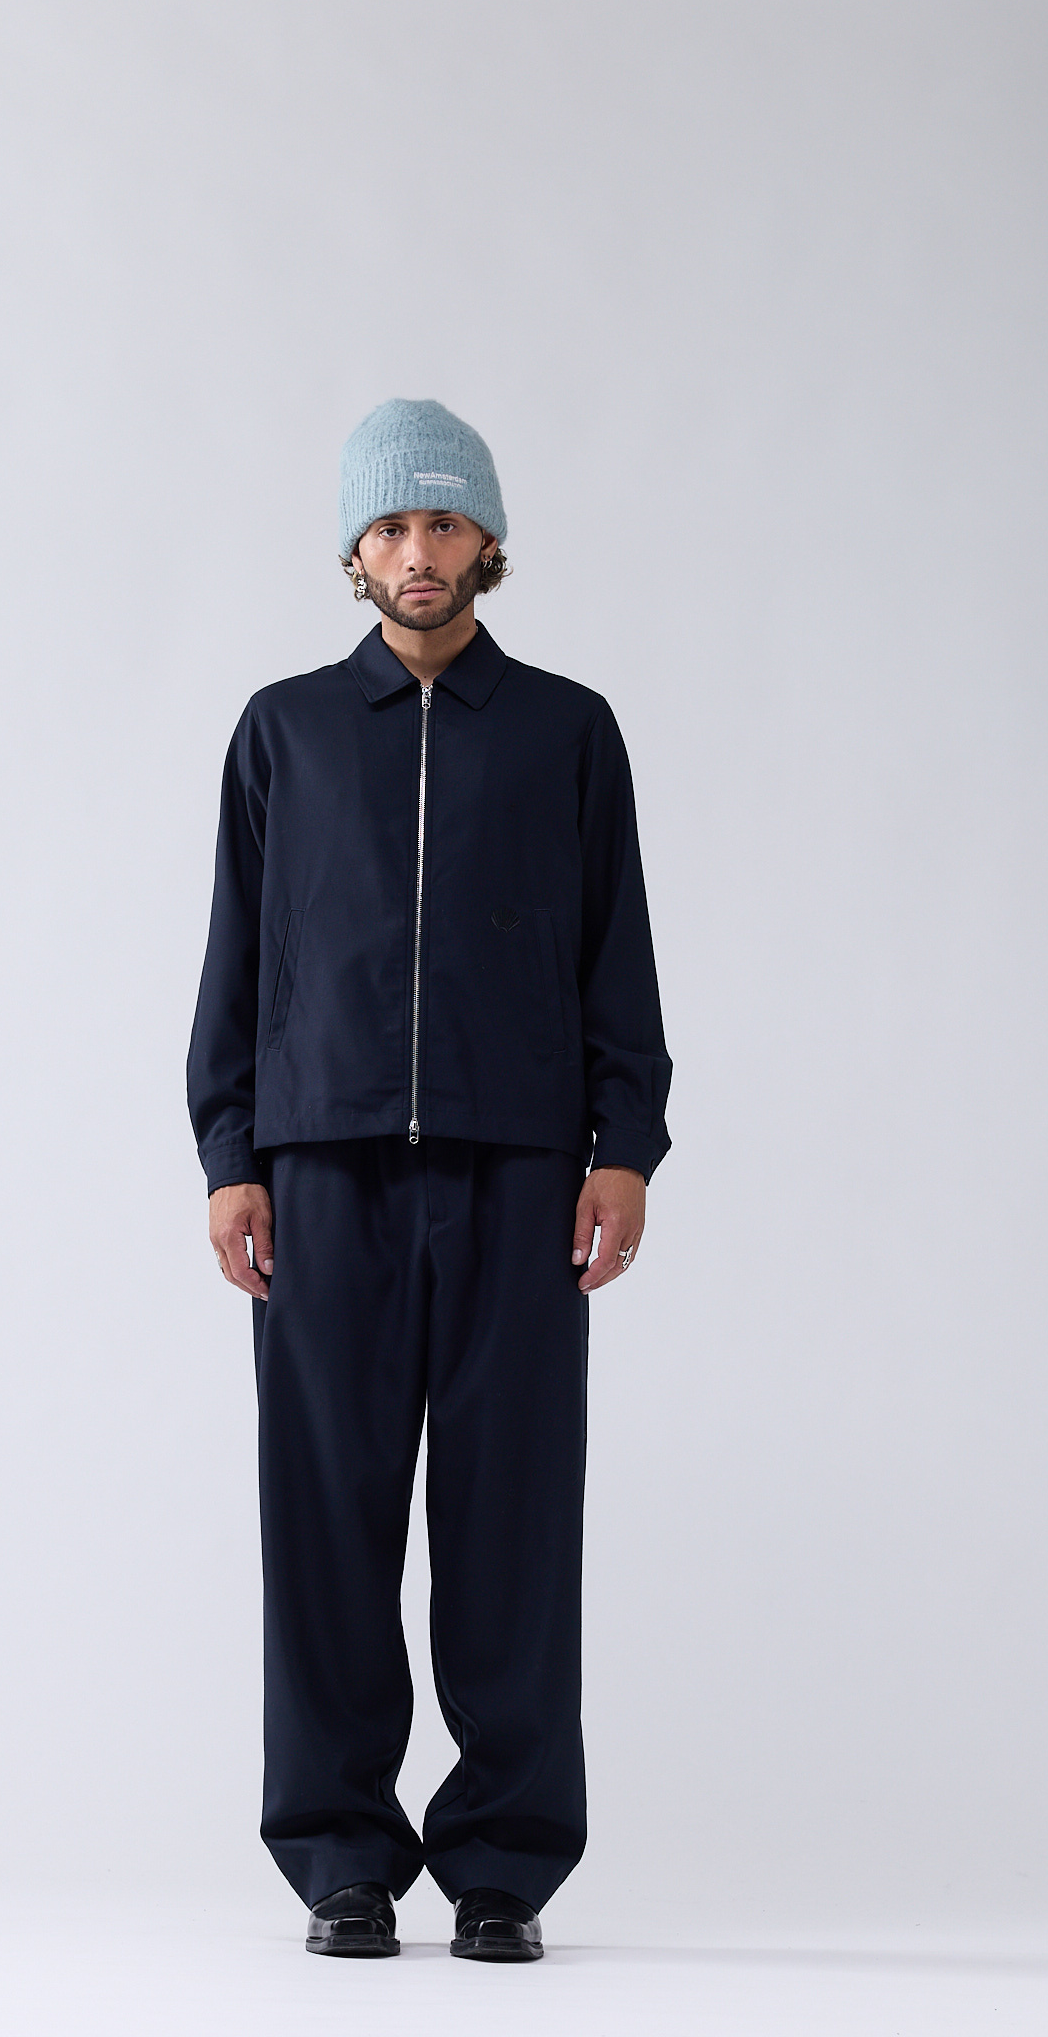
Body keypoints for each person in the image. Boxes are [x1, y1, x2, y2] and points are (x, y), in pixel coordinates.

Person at [187, 398, 671, 1962]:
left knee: (511, 1520)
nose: (418, 550)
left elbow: (617, 955)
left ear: (486, 543)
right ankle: (340, 1852)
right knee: (325, 1519)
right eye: (392, 524)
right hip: (320, 1176)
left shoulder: (567, 733)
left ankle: (503, 1863)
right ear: (356, 547)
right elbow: (239, 962)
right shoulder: (283, 732)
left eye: (444, 522)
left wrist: (624, 1146)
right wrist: (231, 1158)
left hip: (520, 1174)